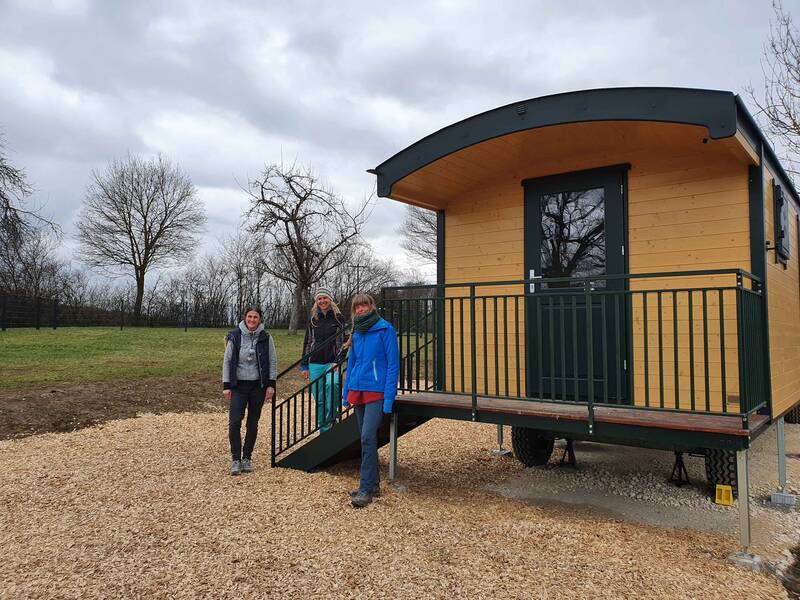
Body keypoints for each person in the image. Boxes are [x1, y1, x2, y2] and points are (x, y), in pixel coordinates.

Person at [341, 293, 399, 508]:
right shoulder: (356, 331)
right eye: (357, 307)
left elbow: (393, 365)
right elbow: (353, 363)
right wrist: (346, 393)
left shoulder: (385, 329)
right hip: (358, 389)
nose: (360, 309)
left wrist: (388, 398)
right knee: (367, 439)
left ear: (371, 306)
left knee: (366, 437)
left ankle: (366, 489)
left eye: (364, 305)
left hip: (376, 391)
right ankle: (373, 484)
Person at [223, 306, 277, 476]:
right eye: (249, 316)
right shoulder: (234, 336)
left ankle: (247, 457)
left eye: (255, 317)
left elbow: (272, 361)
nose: (252, 320)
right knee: (234, 422)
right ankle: (235, 459)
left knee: (252, 422)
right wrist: (226, 385)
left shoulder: (266, 337)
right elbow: (227, 360)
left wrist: (271, 384)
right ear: (245, 318)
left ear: (260, 319)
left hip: (257, 386)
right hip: (238, 385)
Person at [300, 288, 348, 432]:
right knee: (319, 399)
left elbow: (345, 342)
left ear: (330, 299)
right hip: (315, 363)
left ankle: (331, 419)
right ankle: (323, 428)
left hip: (332, 362)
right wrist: (304, 365)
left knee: (332, 385)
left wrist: (338, 361)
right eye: (319, 299)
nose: (322, 301)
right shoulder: (313, 319)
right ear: (316, 302)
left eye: (324, 298)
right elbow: (307, 342)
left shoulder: (339, 318)